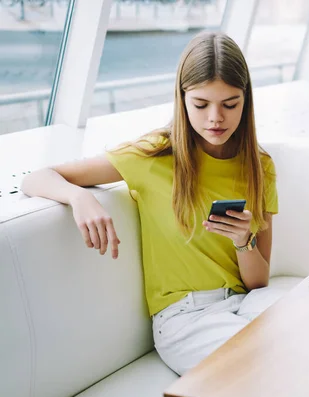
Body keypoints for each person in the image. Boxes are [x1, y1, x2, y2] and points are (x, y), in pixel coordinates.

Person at [21, 32, 279, 375]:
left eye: (229, 104)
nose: (215, 118)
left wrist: (243, 241)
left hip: (246, 302)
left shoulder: (259, 166)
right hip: (186, 317)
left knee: (303, 341)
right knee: (264, 366)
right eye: (201, 105)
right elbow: (36, 177)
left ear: (246, 101)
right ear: (182, 98)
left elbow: (258, 282)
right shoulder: (154, 154)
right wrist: (78, 196)